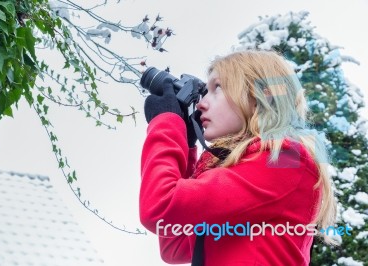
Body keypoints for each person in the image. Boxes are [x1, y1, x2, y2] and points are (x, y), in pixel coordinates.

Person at [139, 50, 337, 266]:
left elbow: (160, 208)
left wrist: (166, 123)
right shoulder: (249, 169)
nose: (201, 104)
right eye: (205, 91)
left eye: (218, 88)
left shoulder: (285, 160)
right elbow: (173, 244)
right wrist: (185, 145)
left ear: (259, 96)